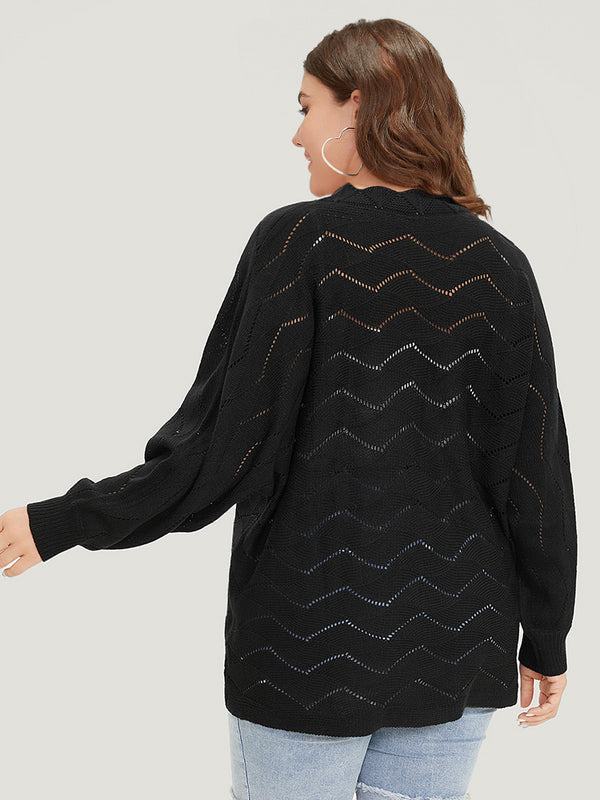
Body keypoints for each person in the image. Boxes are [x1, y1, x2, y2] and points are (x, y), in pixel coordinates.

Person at [0, 17, 576, 800]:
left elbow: (216, 457)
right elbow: (537, 480)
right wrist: (547, 636)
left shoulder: (300, 244)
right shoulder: (501, 265)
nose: (297, 134)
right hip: (457, 645)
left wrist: (62, 521)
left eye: (306, 108)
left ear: (358, 106)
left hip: (310, 650)